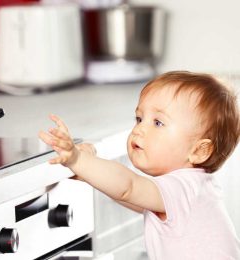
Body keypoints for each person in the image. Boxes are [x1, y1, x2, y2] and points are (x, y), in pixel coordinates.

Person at [39, 71, 240, 259]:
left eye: (158, 123)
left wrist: (78, 160)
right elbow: (136, 197)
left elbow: (129, 187)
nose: (139, 129)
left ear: (198, 151)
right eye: (139, 118)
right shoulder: (194, 188)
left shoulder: (181, 188)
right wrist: (89, 172)